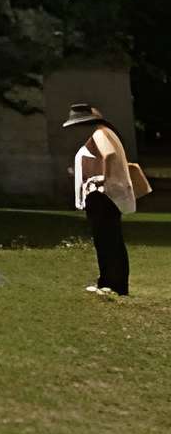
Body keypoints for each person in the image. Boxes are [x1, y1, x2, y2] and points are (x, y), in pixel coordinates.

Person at [67, 103, 146, 299]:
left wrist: (104, 178)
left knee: (105, 240)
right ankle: (115, 283)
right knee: (111, 239)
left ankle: (110, 283)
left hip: (101, 195)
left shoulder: (100, 134)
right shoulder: (107, 132)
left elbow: (108, 154)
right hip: (107, 195)